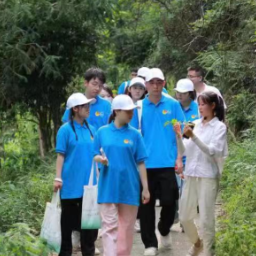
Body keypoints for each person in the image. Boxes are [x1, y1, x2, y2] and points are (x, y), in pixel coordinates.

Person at [94, 94, 150, 256]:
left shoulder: (135, 134)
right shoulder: (102, 132)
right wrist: (101, 159)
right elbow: (94, 154)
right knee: (109, 228)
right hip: (107, 187)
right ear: (117, 111)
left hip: (130, 188)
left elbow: (141, 162)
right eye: (127, 111)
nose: (131, 114)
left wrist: (145, 188)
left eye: (132, 111)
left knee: (126, 229)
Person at [174, 91, 228, 256]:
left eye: (203, 104)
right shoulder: (194, 123)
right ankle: (198, 244)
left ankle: (209, 252)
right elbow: (184, 151)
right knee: (183, 216)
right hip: (191, 174)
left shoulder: (219, 127)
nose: (200, 108)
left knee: (206, 219)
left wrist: (194, 137)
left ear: (213, 106)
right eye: (199, 104)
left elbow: (213, 151)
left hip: (208, 177)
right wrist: (178, 136)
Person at [138, 68, 185, 256]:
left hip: (167, 162)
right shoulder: (139, 108)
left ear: (164, 84)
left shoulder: (173, 105)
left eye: (159, 82)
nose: (156, 86)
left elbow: (180, 135)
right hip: (145, 165)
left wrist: (179, 157)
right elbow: (134, 135)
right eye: (152, 83)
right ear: (146, 85)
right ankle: (150, 244)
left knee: (169, 202)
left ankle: (164, 229)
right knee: (146, 206)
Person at [54, 93, 97, 256]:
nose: (88, 109)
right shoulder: (64, 130)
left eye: (88, 106)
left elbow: (96, 154)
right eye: (85, 106)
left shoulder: (92, 129)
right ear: (75, 109)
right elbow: (61, 155)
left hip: (90, 186)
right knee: (67, 227)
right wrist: (58, 177)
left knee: (89, 229)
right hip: (70, 186)